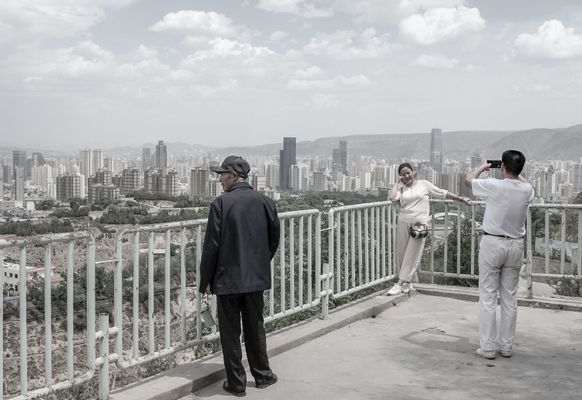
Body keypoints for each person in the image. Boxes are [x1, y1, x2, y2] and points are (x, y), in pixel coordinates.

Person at [199, 155, 280, 397]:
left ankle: (236, 383)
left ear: (235, 176)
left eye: (222, 174)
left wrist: (206, 282)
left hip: (227, 279)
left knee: (230, 332)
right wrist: (258, 263)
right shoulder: (266, 202)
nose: (219, 179)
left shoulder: (221, 204)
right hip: (255, 278)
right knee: (255, 327)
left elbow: (211, 247)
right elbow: (274, 238)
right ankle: (263, 375)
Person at [465, 150, 534, 360]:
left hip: (493, 243)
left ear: (502, 167)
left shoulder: (495, 185)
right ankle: (506, 346)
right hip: (515, 246)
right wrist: (514, 171)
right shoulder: (527, 189)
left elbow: (469, 181)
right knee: (509, 298)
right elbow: (522, 182)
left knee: (487, 296)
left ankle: (487, 347)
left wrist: (484, 167)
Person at [386, 162, 470, 295]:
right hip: (403, 221)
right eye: (403, 174)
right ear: (400, 176)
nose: (407, 176)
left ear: (413, 171)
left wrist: (460, 199)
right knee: (401, 254)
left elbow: (441, 193)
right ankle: (408, 283)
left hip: (418, 225)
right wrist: (397, 183)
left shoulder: (424, 184)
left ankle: (399, 283)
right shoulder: (401, 187)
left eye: (408, 172)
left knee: (413, 253)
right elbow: (392, 197)